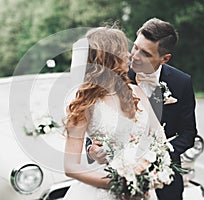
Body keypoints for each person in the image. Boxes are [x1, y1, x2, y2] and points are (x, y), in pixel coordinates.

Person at [87, 18, 198, 200]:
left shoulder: (181, 83)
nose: (135, 56)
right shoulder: (117, 74)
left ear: (165, 58)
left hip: (165, 180)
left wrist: (154, 157)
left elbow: (188, 133)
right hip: (118, 178)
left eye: (145, 53)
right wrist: (90, 148)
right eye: (135, 47)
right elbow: (94, 118)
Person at [63, 27, 165, 199]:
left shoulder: (136, 91)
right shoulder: (85, 102)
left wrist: (146, 174)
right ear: (108, 58)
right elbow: (71, 167)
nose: (129, 55)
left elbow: (159, 140)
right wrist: (121, 183)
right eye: (122, 50)